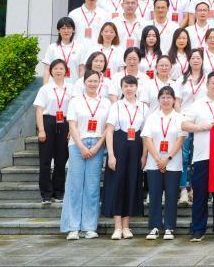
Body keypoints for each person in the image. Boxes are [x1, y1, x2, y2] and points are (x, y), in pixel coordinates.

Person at [181, 70, 214, 241]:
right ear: (207, 85)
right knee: (200, 194)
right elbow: (184, 124)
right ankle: (198, 229)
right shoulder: (198, 104)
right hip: (202, 156)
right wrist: (201, 127)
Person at [61, 69, 110, 240]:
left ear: (100, 83)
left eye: (96, 81)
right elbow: (72, 125)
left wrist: (97, 146)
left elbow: (108, 128)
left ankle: (89, 226)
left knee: (92, 186)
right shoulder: (75, 101)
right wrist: (81, 146)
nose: (93, 84)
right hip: (77, 144)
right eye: (90, 81)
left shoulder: (105, 102)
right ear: (84, 82)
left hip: (97, 145)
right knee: (75, 186)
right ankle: (73, 227)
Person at [103, 74, 148, 239]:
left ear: (137, 87)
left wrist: (144, 155)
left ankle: (126, 226)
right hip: (119, 146)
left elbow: (146, 134)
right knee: (117, 184)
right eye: (126, 86)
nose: (129, 89)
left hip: (136, 147)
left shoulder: (143, 107)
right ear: (121, 88)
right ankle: (117, 226)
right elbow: (109, 131)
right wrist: (111, 155)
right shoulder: (116, 106)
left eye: (132, 85)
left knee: (132, 184)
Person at [142, 85, 186, 240]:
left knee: (171, 196)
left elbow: (181, 139)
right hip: (154, 163)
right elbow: (147, 139)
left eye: (169, 97)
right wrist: (158, 159)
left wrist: (167, 159)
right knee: (154, 195)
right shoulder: (152, 117)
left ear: (174, 100)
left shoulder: (179, 118)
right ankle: (154, 227)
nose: (166, 100)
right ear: (158, 100)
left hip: (173, 163)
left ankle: (169, 227)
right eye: (163, 97)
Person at [35, 59, 71, 205]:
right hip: (48, 122)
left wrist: (72, 129)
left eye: (61, 68)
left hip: (65, 123)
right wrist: (41, 130)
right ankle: (46, 194)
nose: (58, 71)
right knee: (45, 160)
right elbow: (39, 110)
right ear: (51, 71)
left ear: (66, 71)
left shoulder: (71, 88)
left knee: (61, 160)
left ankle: (58, 192)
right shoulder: (45, 88)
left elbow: (74, 108)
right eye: (55, 68)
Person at [178, 49, 205, 206]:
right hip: (185, 121)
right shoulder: (182, 79)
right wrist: (178, 119)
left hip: (201, 122)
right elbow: (177, 101)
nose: (195, 60)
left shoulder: (207, 78)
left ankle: (195, 188)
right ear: (188, 60)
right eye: (193, 57)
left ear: (202, 60)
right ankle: (183, 189)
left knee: (198, 157)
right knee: (184, 156)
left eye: (198, 58)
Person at [42, 17, 83, 84]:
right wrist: (45, 87)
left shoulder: (79, 48)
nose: (66, 31)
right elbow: (47, 70)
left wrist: (81, 86)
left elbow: (81, 70)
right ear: (58, 30)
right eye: (63, 28)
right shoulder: (52, 47)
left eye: (69, 28)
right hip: (54, 86)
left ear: (73, 30)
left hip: (73, 85)